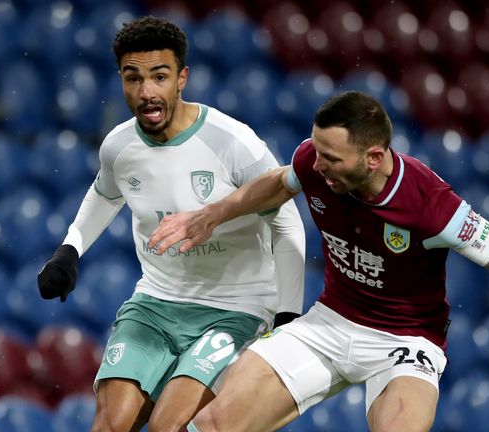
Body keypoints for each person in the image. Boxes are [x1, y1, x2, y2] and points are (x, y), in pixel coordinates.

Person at [148, 91, 489, 432]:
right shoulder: (313, 160)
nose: (315, 165)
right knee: (213, 426)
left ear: (373, 158)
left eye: (332, 158)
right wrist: (212, 215)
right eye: (316, 152)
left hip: (405, 344)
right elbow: (281, 182)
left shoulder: (431, 205)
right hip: (328, 323)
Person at [35, 16, 306, 432]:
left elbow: (286, 224)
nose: (146, 92)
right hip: (155, 304)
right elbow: (105, 195)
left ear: (182, 78)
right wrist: (69, 249)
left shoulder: (234, 143)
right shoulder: (119, 146)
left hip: (236, 309)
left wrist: (287, 316)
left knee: (169, 427)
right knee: (109, 425)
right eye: (133, 78)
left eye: (159, 77)